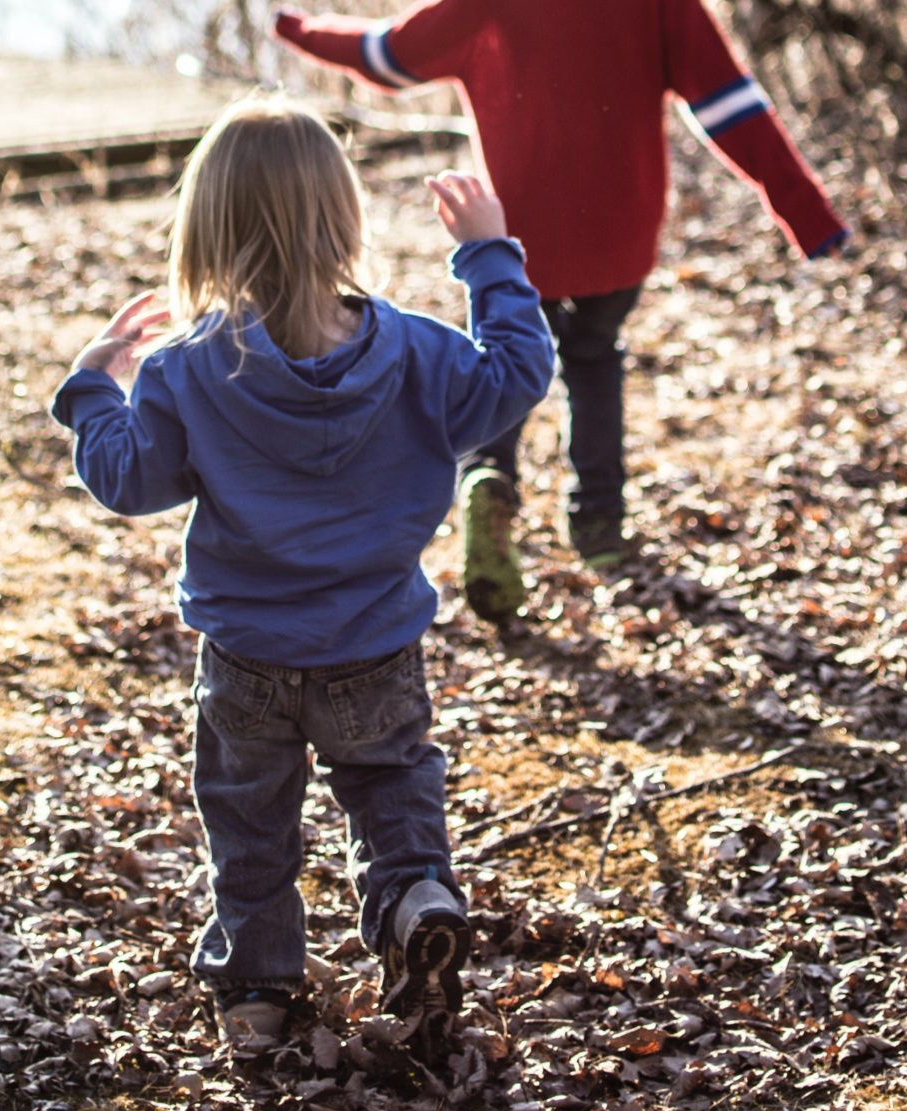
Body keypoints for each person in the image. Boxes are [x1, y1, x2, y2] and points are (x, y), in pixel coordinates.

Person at [50, 97, 554, 1061]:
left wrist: (91, 385)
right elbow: (515, 377)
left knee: (248, 823)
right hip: (374, 641)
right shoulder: (415, 351)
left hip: (247, 657)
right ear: (344, 215)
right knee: (390, 783)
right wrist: (488, 254)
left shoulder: (184, 370)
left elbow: (124, 479)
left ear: (207, 229)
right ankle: (415, 903)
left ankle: (256, 991)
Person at [274, 0, 846, 620]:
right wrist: (806, 212)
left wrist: (302, 28)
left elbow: (388, 57)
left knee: (503, 367)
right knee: (593, 363)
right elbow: (732, 109)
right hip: (618, 239)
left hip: (514, 241)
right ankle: (601, 524)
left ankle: (488, 486)